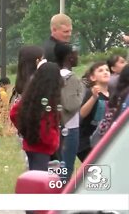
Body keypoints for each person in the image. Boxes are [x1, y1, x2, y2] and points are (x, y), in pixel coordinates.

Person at [10, 62, 62, 171]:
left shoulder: (31, 96)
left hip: (31, 145)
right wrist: (54, 141)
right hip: (43, 149)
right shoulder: (49, 101)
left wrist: (25, 130)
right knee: (40, 182)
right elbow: (45, 128)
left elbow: (14, 113)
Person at [54, 42, 84, 180]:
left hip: (58, 127)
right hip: (70, 129)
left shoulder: (54, 75)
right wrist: (82, 90)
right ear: (69, 56)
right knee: (66, 171)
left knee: (57, 169)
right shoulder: (70, 78)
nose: (78, 55)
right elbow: (71, 104)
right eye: (75, 52)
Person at [78, 62, 110, 162]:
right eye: (100, 70)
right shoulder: (89, 93)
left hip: (104, 140)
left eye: (107, 70)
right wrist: (94, 98)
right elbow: (81, 114)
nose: (105, 72)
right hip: (86, 143)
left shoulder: (113, 93)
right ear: (92, 77)